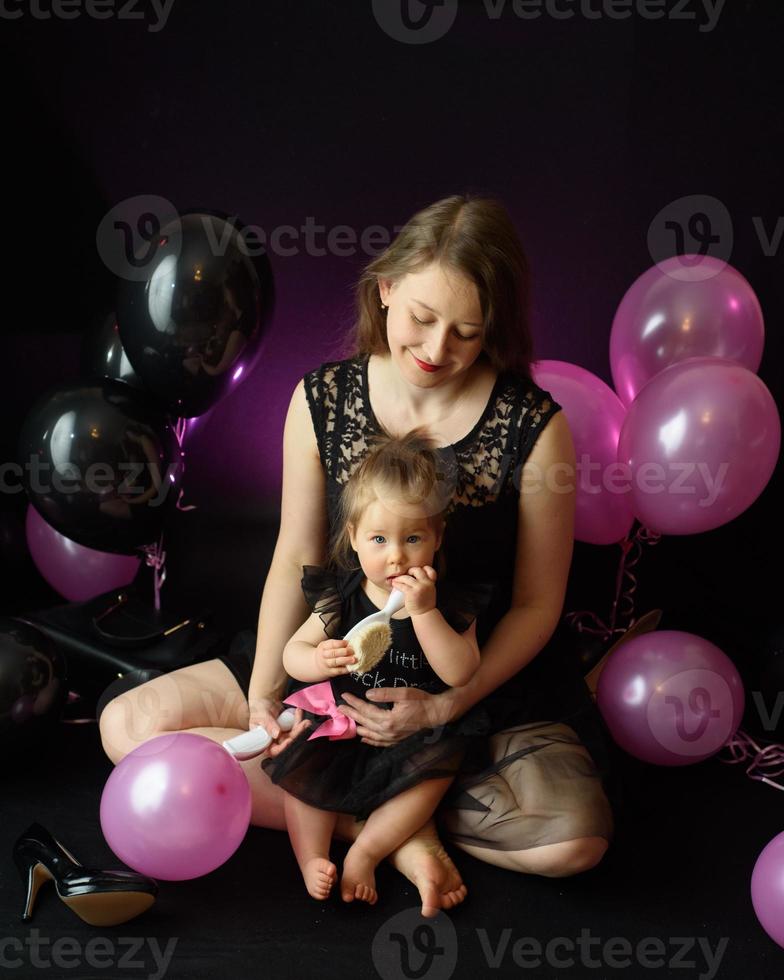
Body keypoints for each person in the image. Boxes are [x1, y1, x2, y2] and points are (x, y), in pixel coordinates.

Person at [99, 193, 615, 919]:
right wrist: (263, 694)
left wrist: (446, 705)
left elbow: (536, 604)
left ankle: (377, 793)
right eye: (422, 320)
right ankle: (398, 835)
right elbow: (295, 555)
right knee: (126, 726)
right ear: (387, 289)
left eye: (467, 332)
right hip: (335, 656)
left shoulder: (533, 424)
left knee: (574, 844)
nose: (438, 350)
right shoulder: (323, 399)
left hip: (471, 677)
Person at [263, 429, 492, 906]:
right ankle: (311, 857)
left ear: (436, 537)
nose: (396, 556)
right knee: (302, 776)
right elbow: (292, 654)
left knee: (434, 774)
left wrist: (425, 613)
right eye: (379, 539)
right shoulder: (340, 597)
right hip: (343, 723)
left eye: (413, 538)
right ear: (353, 537)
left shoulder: (448, 604)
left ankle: (366, 852)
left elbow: (460, 671)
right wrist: (316, 658)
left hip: (414, 734)